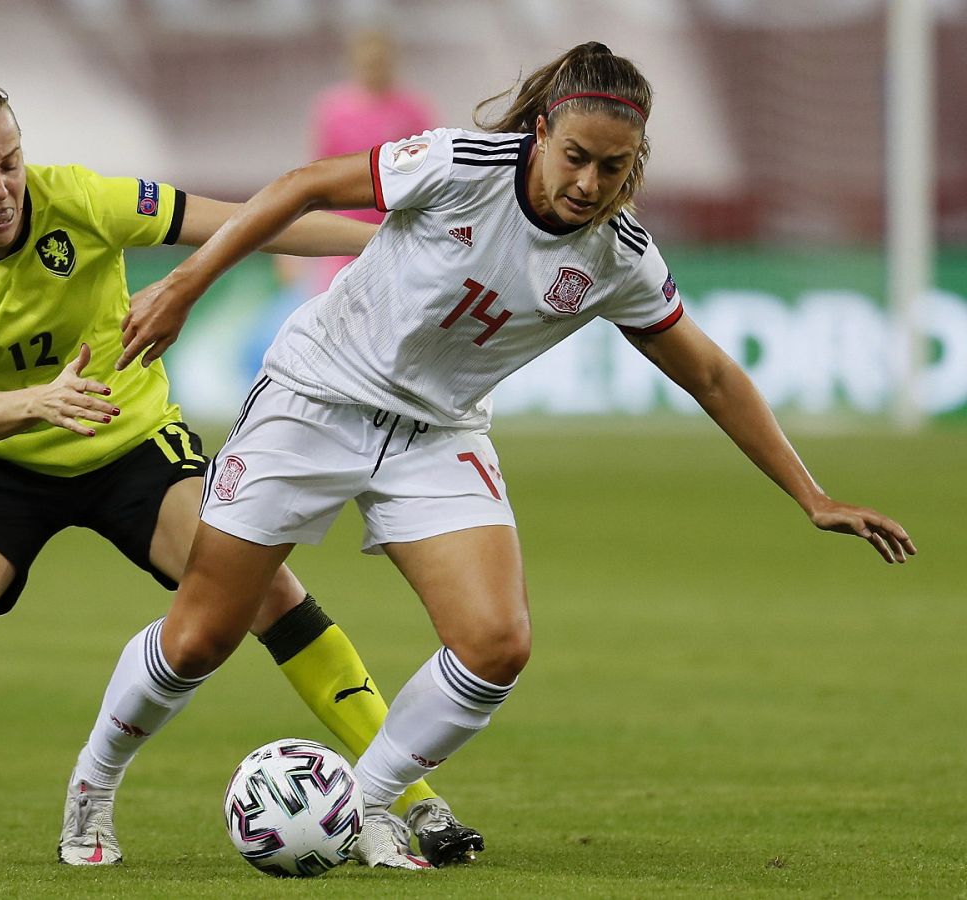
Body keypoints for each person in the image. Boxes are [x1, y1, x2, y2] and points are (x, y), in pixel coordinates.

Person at [68, 41, 918, 869]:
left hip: (436, 434)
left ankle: (365, 807)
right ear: (542, 132)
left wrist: (812, 495)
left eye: (614, 169)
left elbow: (713, 375)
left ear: (636, 165)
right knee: (202, 637)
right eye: (577, 157)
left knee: (495, 643)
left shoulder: (618, 257)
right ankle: (94, 786)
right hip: (314, 400)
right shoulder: (459, 164)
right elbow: (300, 188)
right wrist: (187, 282)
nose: (590, 184)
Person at [0, 10, 476, 870]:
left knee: (271, 597)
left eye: (8, 162)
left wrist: (389, 246)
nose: (0, 187)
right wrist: (46, 400)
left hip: (132, 443)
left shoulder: (81, 198)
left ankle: (418, 801)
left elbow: (244, 221)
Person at [307, 28, 438, 295]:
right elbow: (314, 175)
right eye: (368, 62)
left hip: (396, 233)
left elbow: (430, 174)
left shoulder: (412, 110)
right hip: (342, 237)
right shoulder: (333, 110)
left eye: (379, 61)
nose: (374, 69)